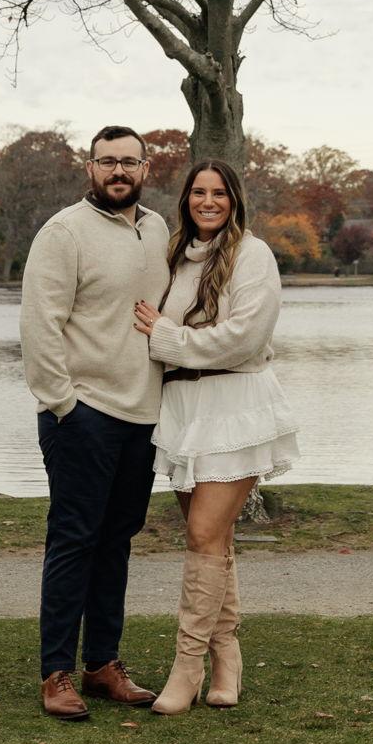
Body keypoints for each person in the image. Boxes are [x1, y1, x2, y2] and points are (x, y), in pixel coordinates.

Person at [132, 159, 298, 714]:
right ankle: (227, 655)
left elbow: (243, 338)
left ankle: (187, 668)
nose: (208, 201)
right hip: (183, 409)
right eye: (198, 192)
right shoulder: (174, 257)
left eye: (219, 193)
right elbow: (144, 321)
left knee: (203, 534)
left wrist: (168, 338)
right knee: (214, 541)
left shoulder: (253, 255)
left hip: (236, 405)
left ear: (234, 200)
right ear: (186, 199)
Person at [19, 124, 172, 720]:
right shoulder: (64, 232)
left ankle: (103, 663)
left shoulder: (157, 229)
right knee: (74, 540)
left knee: (116, 542)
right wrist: (63, 404)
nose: (118, 171)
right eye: (107, 161)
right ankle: (56, 672)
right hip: (83, 414)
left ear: (146, 169)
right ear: (90, 169)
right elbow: (40, 325)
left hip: (143, 415)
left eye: (129, 161)